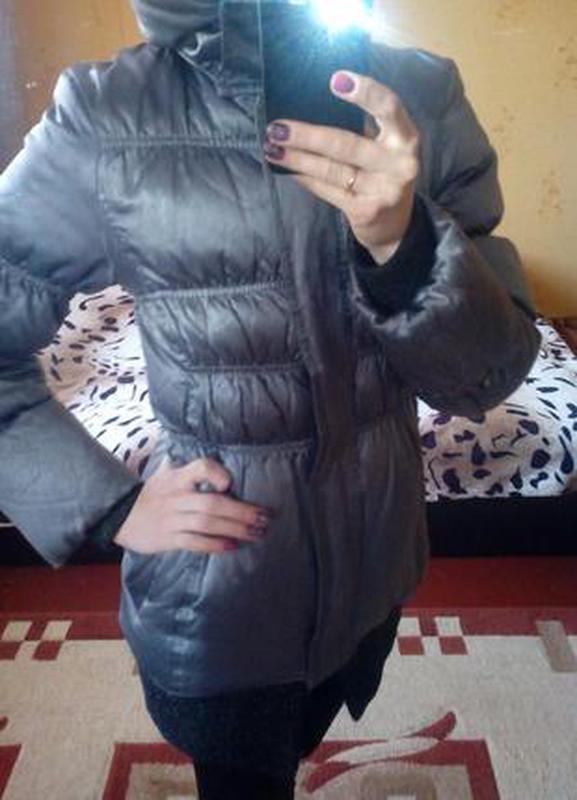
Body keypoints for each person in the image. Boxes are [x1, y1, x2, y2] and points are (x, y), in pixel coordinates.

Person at [0, 0, 542, 797]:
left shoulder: (422, 94)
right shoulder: (109, 115)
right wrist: (107, 504)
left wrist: (404, 246)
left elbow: (484, 379)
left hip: (376, 560)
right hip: (221, 595)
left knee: (305, 740)